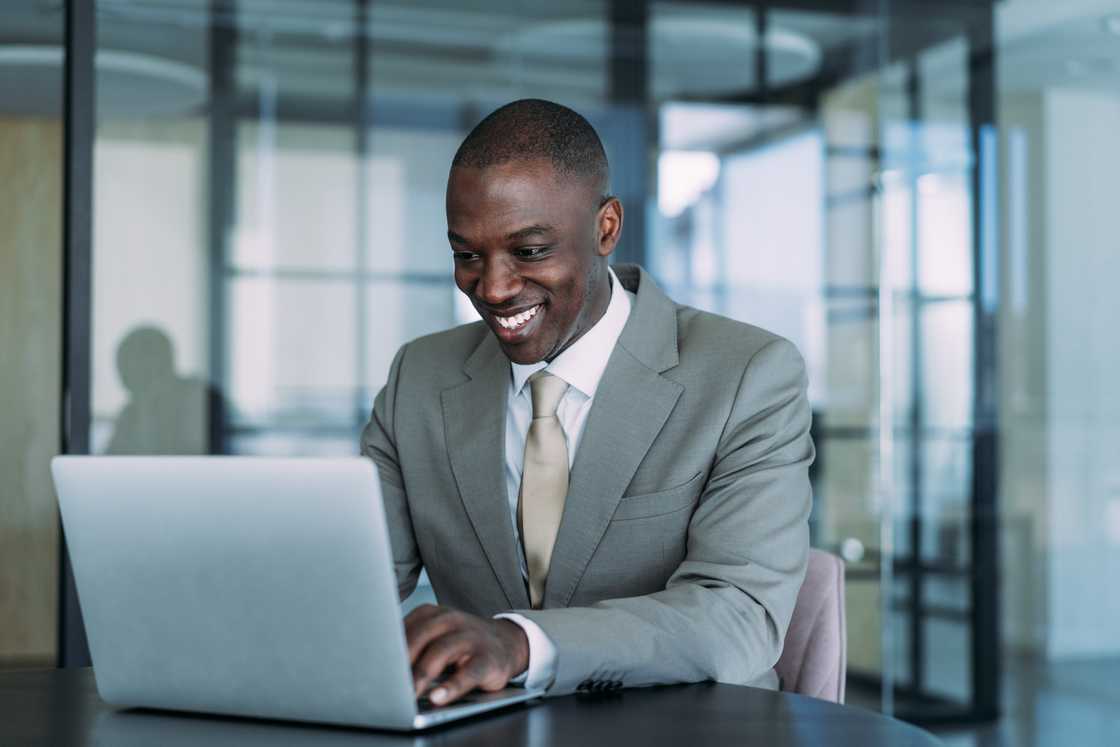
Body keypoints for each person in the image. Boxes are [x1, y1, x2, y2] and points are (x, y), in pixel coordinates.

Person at [361, 99, 813, 707]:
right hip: (478, 731)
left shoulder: (747, 376)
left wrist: (518, 643)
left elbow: (738, 617)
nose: (492, 288)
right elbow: (352, 586)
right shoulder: (419, 376)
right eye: (468, 255)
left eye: (529, 252)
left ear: (605, 227)